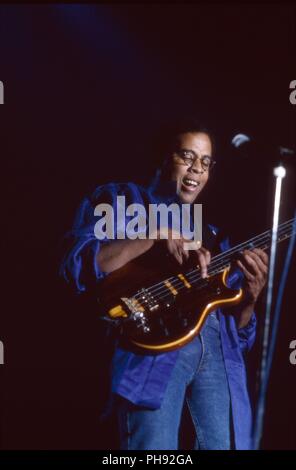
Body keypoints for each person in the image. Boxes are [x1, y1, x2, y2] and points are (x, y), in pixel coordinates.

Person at [60, 119, 268, 450]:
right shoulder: (119, 198)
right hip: (152, 347)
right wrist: (153, 236)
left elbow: (240, 334)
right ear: (162, 158)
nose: (197, 169)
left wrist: (251, 298)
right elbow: (80, 266)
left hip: (217, 355)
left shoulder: (213, 235)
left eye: (206, 162)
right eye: (187, 156)